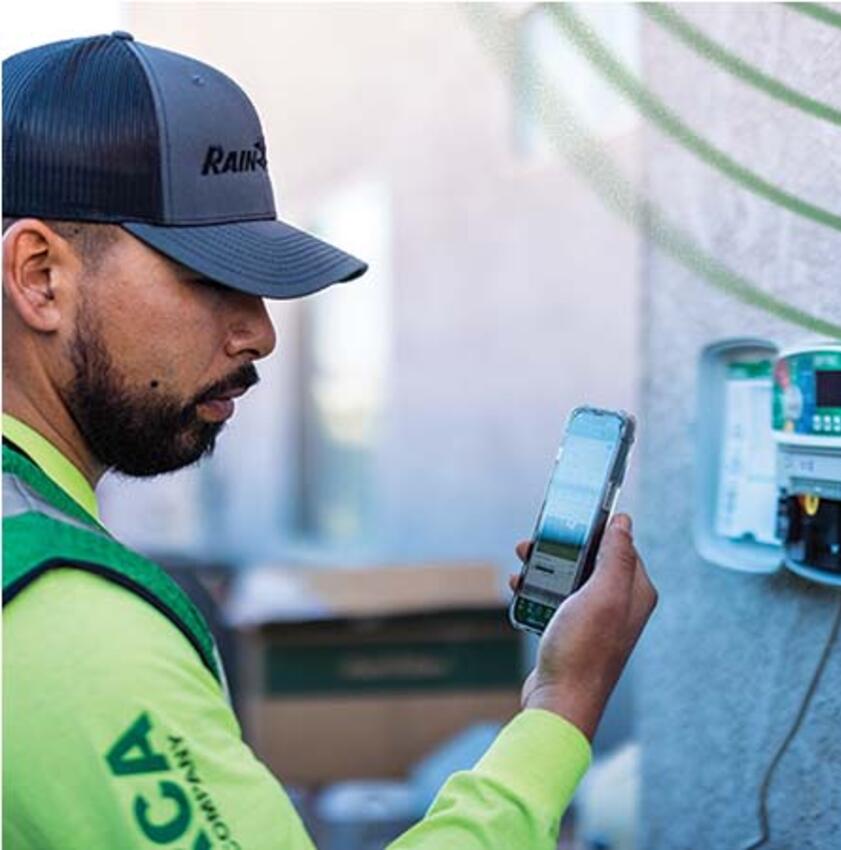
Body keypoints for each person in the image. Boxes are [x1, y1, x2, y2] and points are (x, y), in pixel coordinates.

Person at [2, 32, 657, 850]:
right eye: (208, 278)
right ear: (39, 275)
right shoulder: (67, 623)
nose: (260, 334)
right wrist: (564, 704)